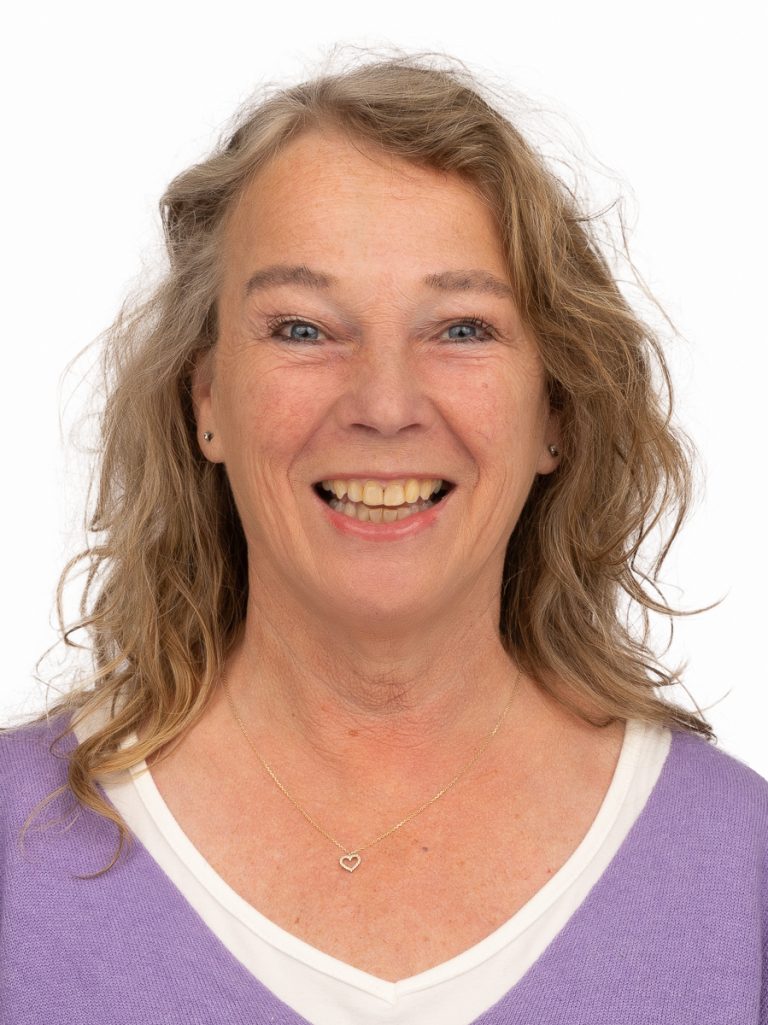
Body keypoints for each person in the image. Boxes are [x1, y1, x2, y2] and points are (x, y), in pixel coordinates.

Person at [1, 52, 766, 1025]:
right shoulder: (15, 846)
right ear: (207, 400)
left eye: (461, 328)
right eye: (304, 329)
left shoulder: (743, 867)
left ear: (555, 412)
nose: (386, 402)